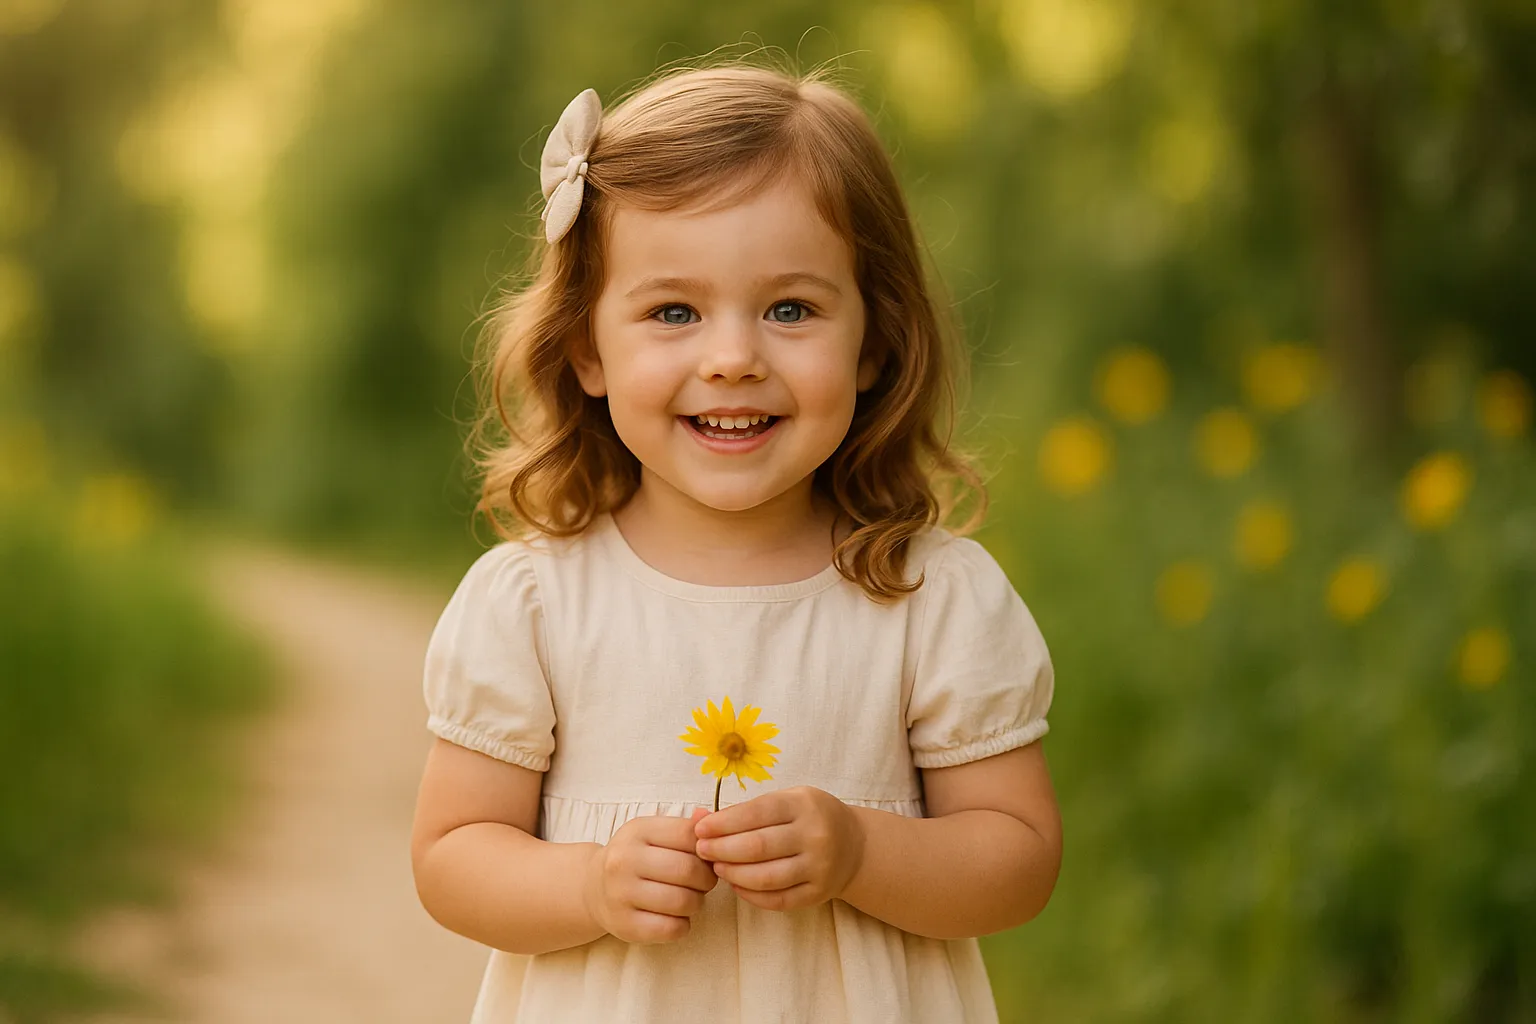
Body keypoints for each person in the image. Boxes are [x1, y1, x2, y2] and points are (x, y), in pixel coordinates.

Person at [410, 60, 1061, 1024]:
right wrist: (590, 885)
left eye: (790, 309)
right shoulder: (537, 602)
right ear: (586, 348)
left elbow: (1017, 858)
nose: (732, 359)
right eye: (673, 311)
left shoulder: (929, 595)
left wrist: (862, 850)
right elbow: (452, 855)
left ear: (873, 343)